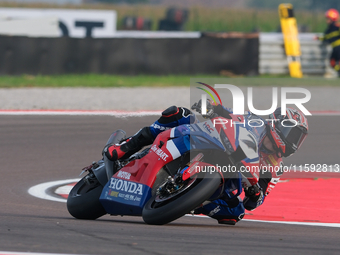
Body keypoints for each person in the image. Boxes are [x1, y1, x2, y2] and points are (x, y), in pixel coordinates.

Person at [103, 103, 308, 225]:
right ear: (277, 123)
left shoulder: (274, 168)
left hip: (227, 176)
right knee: (179, 113)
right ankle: (125, 146)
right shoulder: (253, 121)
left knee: (236, 214)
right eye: (293, 134)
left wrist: (255, 193)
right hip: (208, 141)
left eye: (298, 139)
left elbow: (255, 202)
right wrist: (210, 107)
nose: (293, 141)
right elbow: (226, 113)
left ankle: (193, 202)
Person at [316, 8, 340, 77]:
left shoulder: (337, 27)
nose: (327, 21)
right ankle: (339, 72)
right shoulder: (328, 30)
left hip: (339, 47)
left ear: (333, 19)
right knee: (332, 62)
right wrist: (318, 38)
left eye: (328, 19)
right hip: (334, 48)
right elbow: (325, 37)